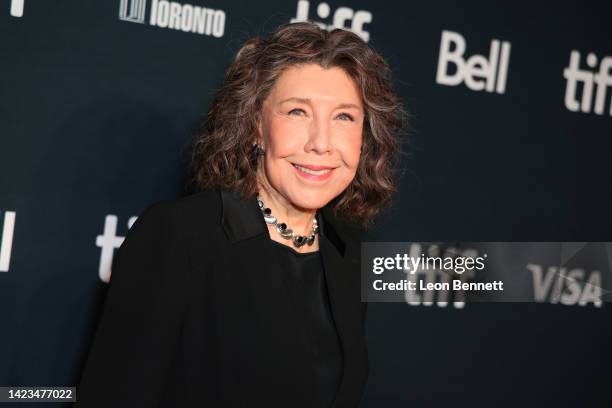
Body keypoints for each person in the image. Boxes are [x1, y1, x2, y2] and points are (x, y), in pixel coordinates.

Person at [76, 21, 405, 407]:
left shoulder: (347, 252)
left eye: (344, 117)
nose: (321, 143)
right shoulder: (180, 235)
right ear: (255, 128)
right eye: (298, 112)